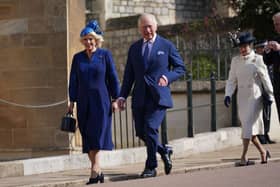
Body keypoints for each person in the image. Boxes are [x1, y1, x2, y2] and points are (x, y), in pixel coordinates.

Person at [117, 13, 186, 178]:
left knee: (150, 128)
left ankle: (151, 167)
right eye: (144, 27)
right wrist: (122, 96)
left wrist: (167, 77)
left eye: (150, 26)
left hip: (158, 97)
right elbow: (129, 76)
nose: (147, 30)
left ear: (156, 26)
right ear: (139, 29)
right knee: (141, 132)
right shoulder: (134, 48)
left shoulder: (166, 45)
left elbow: (180, 68)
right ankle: (164, 151)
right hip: (139, 97)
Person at [67, 20, 120, 185]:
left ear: (96, 39)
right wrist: (72, 101)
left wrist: (116, 98)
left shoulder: (105, 55)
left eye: (91, 39)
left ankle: (94, 171)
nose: (88, 42)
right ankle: (99, 171)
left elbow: (112, 78)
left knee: (97, 134)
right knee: (87, 136)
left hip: (101, 101)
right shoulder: (78, 58)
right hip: (83, 102)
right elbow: (73, 80)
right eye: (85, 40)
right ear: (82, 41)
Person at [224, 32, 274, 166]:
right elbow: (231, 80)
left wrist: (270, 94)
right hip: (242, 98)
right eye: (240, 46)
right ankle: (263, 152)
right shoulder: (235, 61)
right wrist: (228, 94)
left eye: (245, 46)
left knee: (248, 127)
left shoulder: (258, 59)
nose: (242, 49)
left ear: (250, 46)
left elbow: (265, 77)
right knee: (248, 129)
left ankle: (243, 157)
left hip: (254, 96)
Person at [254, 40, 276, 144]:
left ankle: (266, 134)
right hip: (259, 90)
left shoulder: (267, 59)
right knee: (261, 115)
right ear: (257, 49)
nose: (263, 50)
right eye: (261, 48)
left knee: (267, 114)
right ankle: (261, 136)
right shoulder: (255, 60)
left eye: (264, 48)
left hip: (268, 91)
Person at [263, 12, 280, 123]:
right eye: (275, 24)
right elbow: (268, 62)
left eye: (278, 24)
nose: (276, 27)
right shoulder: (275, 39)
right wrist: (267, 51)